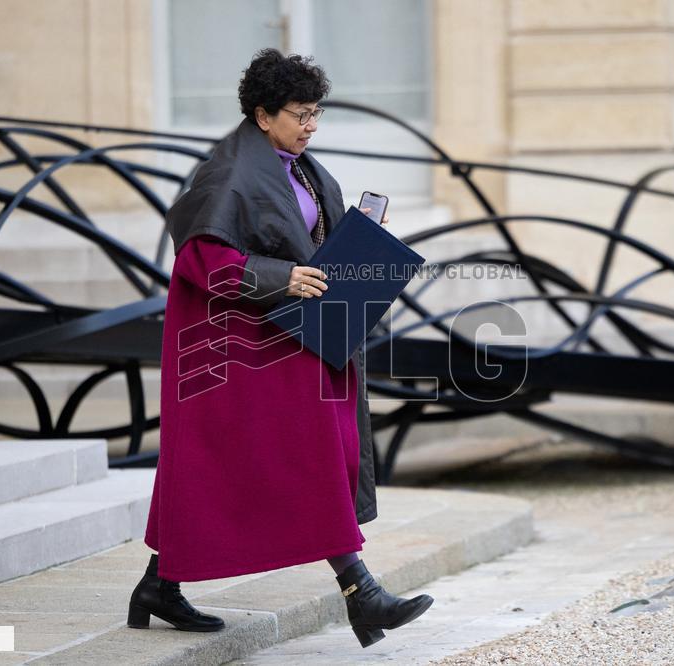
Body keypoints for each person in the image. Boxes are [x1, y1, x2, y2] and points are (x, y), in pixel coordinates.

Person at [126, 48, 433, 648]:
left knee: (237, 467)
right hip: (244, 348)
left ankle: (159, 585)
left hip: (295, 338)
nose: (311, 124)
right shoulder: (229, 172)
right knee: (305, 457)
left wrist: (361, 244)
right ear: (263, 115)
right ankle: (361, 591)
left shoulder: (300, 167)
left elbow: (308, 239)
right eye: (300, 113)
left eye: (316, 112)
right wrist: (280, 277)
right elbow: (199, 259)